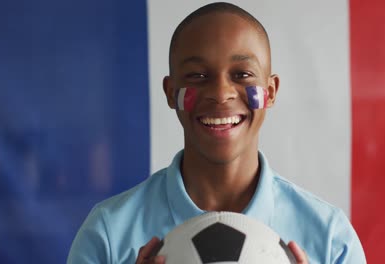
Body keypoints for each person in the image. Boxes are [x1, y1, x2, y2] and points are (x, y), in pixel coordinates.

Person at [67, 2, 366, 264]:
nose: (221, 93)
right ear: (171, 93)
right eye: (198, 76)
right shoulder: (108, 233)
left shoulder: (329, 238)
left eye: (242, 75)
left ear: (271, 91)